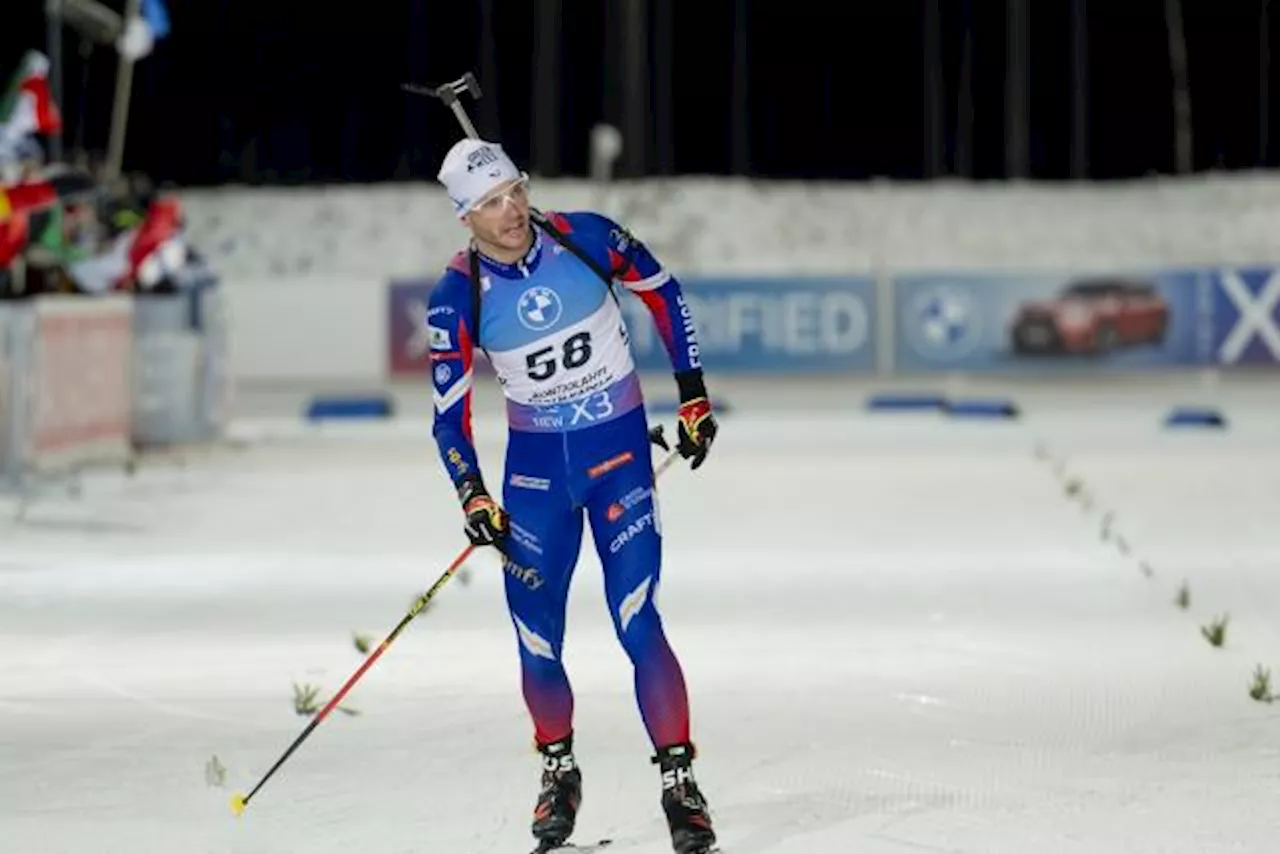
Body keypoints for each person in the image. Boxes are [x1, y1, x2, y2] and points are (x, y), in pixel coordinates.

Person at [426, 137, 720, 854]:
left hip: (619, 460)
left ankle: (680, 785)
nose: (512, 211)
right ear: (465, 217)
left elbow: (663, 291)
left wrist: (692, 395)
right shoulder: (457, 295)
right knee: (536, 640)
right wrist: (472, 495)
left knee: (636, 617)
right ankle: (558, 770)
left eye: (516, 191)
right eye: (491, 204)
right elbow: (448, 416)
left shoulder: (585, 236)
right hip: (534, 483)